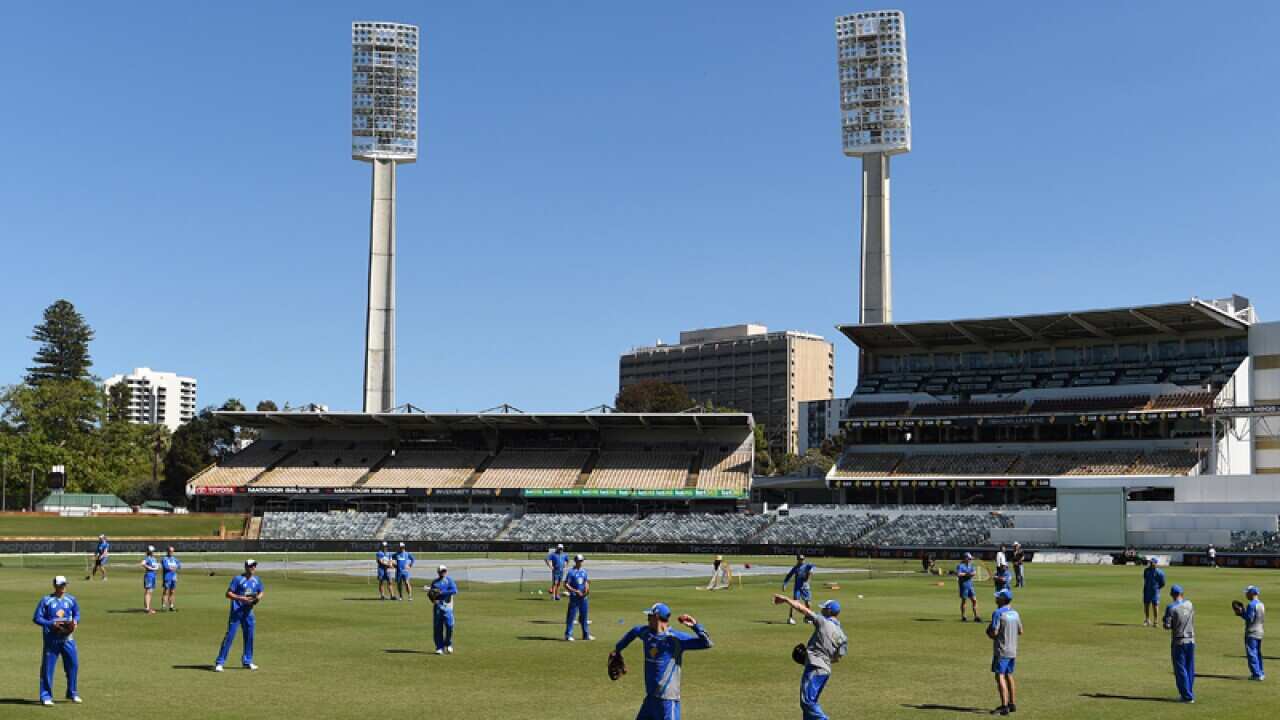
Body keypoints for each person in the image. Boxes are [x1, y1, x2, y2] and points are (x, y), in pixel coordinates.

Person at [611, 603, 713, 720]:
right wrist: (617, 650)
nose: (647, 618)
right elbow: (634, 632)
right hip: (650, 700)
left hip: (668, 701)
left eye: (650, 615)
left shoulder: (675, 639)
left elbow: (707, 643)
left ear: (656, 616)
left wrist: (695, 626)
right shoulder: (646, 633)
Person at [772, 596, 847, 720]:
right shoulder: (842, 635)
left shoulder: (823, 622)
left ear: (829, 611)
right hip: (825, 670)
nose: (821, 611)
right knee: (810, 703)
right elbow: (837, 658)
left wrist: (785, 599)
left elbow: (803, 609)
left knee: (807, 701)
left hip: (815, 668)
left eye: (823, 609)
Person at [33, 575, 81, 706]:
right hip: (51, 640)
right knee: (48, 668)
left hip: (67, 639)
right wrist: (50, 623)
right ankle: (46, 696)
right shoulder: (46, 600)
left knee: (73, 665)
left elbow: (77, 613)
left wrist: (75, 622)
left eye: (65, 584)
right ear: (55, 585)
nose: (63, 587)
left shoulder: (71, 599)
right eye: (61, 585)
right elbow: (37, 618)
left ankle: (72, 693)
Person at [215, 559, 264, 672]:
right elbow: (228, 593)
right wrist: (240, 598)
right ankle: (220, 662)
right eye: (251, 566)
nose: (253, 568)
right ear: (246, 567)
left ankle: (247, 661)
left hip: (249, 612)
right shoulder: (238, 579)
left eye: (254, 566)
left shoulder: (257, 580)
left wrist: (258, 598)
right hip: (237, 611)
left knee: (249, 637)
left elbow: (261, 591)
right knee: (230, 636)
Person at [987, 588, 1023, 716]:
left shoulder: (997, 613)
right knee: (1009, 675)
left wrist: (990, 634)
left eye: (998, 597)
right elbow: (1020, 631)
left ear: (1002, 599)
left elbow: (994, 632)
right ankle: (1012, 704)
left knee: (999, 676)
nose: (996, 599)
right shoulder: (1015, 613)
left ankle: (1004, 706)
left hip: (1001, 650)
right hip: (1013, 650)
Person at [1162, 584, 1196, 703]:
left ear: (1172, 594)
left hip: (1179, 641)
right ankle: (1189, 692)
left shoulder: (1171, 607)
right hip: (1191, 640)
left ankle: (1186, 696)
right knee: (1189, 668)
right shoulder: (1190, 604)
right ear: (1182, 593)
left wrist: (1165, 620)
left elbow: (1167, 626)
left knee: (1180, 669)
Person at [429, 565, 458, 654]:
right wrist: (433, 600)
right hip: (438, 607)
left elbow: (454, 591)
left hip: (448, 607)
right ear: (438, 572)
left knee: (450, 626)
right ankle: (439, 647)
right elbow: (430, 594)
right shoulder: (435, 582)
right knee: (438, 628)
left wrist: (442, 592)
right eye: (442, 571)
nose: (443, 572)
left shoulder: (449, 581)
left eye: (445, 571)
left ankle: (448, 644)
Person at [564, 554, 593, 641]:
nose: (581, 563)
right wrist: (575, 591)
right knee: (571, 617)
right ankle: (568, 635)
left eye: (582, 561)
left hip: (583, 597)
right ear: (576, 561)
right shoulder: (571, 572)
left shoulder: (584, 571)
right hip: (574, 598)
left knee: (584, 617)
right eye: (580, 561)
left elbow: (586, 582)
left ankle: (586, 635)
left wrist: (587, 589)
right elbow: (566, 584)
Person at [782, 555, 816, 625]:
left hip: (805, 588)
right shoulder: (796, 568)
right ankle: (790, 618)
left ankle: (807, 618)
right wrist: (785, 584)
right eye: (800, 559)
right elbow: (789, 575)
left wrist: (810, 572)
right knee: (794, 603)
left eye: (802, 559)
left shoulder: (807, 566)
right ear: (797, 560)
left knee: (808, 603)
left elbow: (812, 568)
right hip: (797, 588)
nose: (801, 561)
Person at [1241, 585, 1265, 681]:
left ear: (1251, 593)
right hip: (1260, 630)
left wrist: (1241, 613)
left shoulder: (1251, 605)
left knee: (1252, 653)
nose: (1246, 594)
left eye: (1247, 593)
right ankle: (1261, 672)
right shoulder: (1261, 604)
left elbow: (1249, 618)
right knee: (1258, 653)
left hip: (1252, 632)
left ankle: (1256, 674)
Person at [1143, 557, 1166, 627]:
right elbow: (1145, 578)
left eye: (1152, 562)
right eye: (1150, 562)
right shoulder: (1146, 570)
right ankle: (1147, 620)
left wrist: (1157, 588)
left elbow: (1163, 583)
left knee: (1155, 605)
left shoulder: (1160, 572)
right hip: (1147, 590)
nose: (1151, 564)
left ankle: (1155, 621)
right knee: (1146, 605)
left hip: (1155, 591)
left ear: (1156, 563)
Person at [957, 553, 980, 622]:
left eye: (971, 559)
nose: (970, 560)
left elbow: (974, 572)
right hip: (963, 585)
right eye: (969, 559)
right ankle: (963, 616)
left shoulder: (971, 565)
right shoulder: (960, 566)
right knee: (964, 601)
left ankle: (976, 616)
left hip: (970, 585)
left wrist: (972, 574)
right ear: (965, 558)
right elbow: (958, 574)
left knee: (974, 600)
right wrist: (967, 574)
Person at [138, 546, 160, 614]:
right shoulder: (147, 558)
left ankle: (148, 607)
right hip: (149, 575)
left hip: (153, 575)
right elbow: (142, 563)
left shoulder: (154, 559)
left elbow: (156, 566)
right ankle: (147, 608)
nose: (153, 552)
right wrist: (149, 567)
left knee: (150, 592)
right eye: (152, 551)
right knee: (148, 591)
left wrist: (156, 567)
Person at [160, 546, 182, 612]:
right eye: (170, 551)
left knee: (172, 592)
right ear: (167, 551)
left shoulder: (175, 559)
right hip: (167, 577)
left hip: (174, 577)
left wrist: (174, 567)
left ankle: (171, 606)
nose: (171, 552)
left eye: (172, 551)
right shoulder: (164, 559)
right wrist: (173, 567)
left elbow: (179, 565)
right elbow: (166, 567)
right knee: (166, 591)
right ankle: (163, 606)